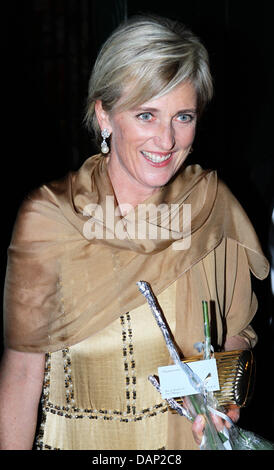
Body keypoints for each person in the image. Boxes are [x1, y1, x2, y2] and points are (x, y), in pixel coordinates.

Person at [0, 15, 269, 450]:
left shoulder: (211, 208)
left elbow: (233, 333)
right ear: (104, 115)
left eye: (183, 116)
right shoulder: (50, 217)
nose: (166, 140)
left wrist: (221, 401)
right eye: (146, 114)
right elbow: (22, 370)